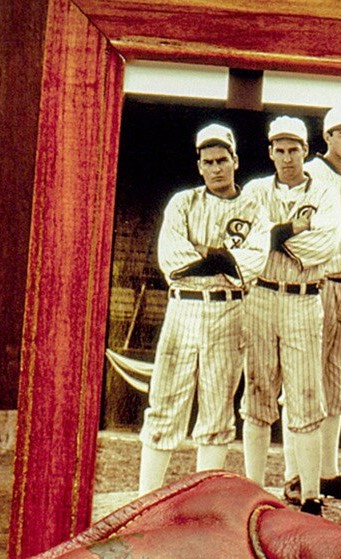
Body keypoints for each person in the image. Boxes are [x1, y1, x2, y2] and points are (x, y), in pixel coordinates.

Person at [138, 123, 269, 496]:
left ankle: (200, 503)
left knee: (216, 408)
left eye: (222, 160)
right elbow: (172, 260)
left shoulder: (253, 207)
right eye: (208, 161)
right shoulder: (182, 202)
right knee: (165, 401)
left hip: (229, 311)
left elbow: (252, 262)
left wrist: (209, 255)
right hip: (184, 309)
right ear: (199, 165)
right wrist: (221, 259)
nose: (216, 168)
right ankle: (145, 499)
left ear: (235, 161)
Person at [239, 116, 341, 516]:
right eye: (279, 150)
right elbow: (246, 243)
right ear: (270, 152)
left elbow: (325, 247)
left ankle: (311, 495)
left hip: (304, 297)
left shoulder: (327, 192)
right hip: (262, 295)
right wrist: (289, 229)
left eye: (293, 149)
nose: (286, 157)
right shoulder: (254, 190)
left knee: (305, 395)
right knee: (259, 392)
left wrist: (272, 237)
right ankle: (253, 490)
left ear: (305, 150)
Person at [282, 106, 341, 505]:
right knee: (304, 382)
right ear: (327, 137)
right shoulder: (310, 175)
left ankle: (327, 470)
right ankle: (295, 474)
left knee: (337, 383)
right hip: (315, 284)